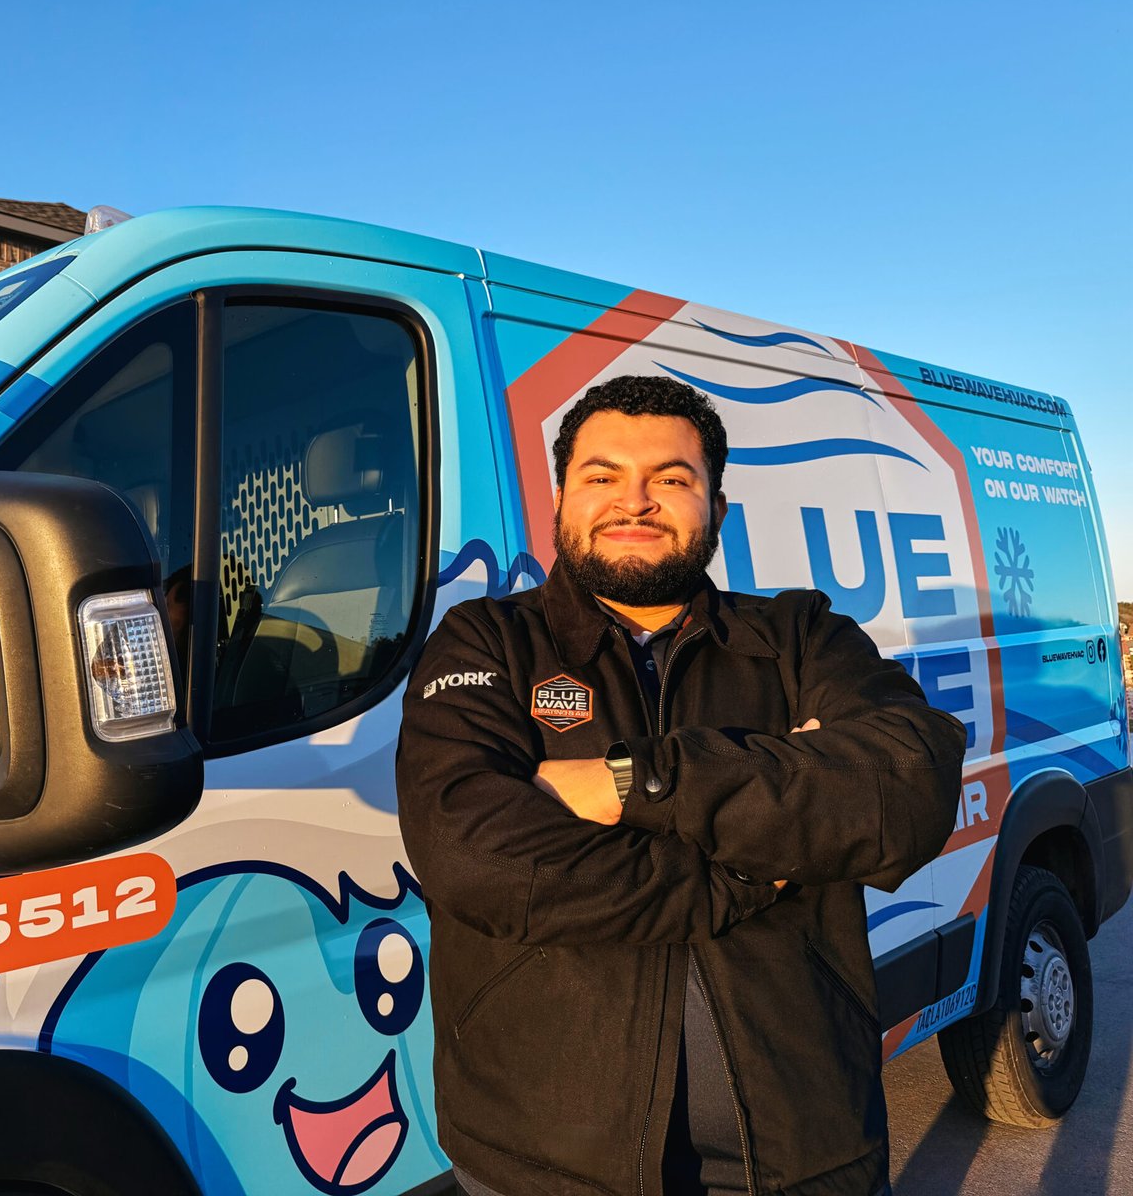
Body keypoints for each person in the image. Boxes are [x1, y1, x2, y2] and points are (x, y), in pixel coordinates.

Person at [395, 375, 965, 1196]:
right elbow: (478, 858)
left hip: (806, 1146)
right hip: (541, 1160)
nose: (635, 501)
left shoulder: (801, 638)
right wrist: (745, 866)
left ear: (717, 509)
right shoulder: (486, 641)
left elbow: (909, 786)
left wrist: (638, 782)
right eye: (602, 477)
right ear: (560, 502)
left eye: (671, 479)